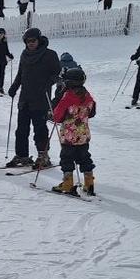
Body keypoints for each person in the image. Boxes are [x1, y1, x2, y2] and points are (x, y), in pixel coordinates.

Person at [6, 28, 59, 170]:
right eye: (28, 41)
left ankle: (43, 155)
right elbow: (20, 74)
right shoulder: (25, 55)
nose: (31, 44)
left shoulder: (49, 55)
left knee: (40, 129)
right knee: (21, 130)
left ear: (39, 40)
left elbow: (56, 73)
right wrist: (14, 87)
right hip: (25, 99)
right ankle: (22, 155)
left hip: (41, 99)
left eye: (33, 41)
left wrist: (48, 83)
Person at [49, 67, 96, 196]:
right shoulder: (87, 95)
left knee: (67, 158)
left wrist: (51, 115)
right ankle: (89, 182)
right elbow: (92, 112)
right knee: (84, 157)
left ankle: (68, 183)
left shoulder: (67, 96)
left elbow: (57, 116)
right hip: (83, 135)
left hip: (69, 136)